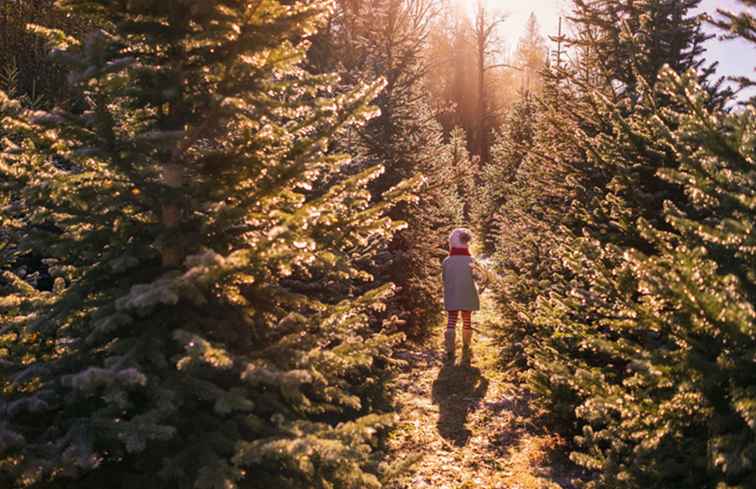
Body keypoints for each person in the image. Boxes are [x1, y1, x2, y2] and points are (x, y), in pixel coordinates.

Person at [442, 228, 480, 361]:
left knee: (451, 319)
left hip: (452, 293)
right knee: (467, 318)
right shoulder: (471, 260)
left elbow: (444, 279)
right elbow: (478, 276)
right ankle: (466, 344)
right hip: (467, 293)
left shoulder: (447, 261)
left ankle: (450, 347)